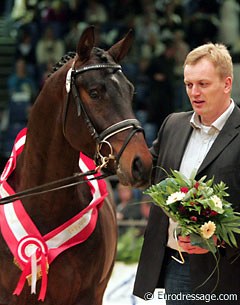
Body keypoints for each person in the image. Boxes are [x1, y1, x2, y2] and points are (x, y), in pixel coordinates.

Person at [133, 43, 240, 304]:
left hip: (227, 272)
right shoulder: (173, 124)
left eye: (203, 84)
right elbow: (144, 173)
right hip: (176, 266)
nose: (194, 92)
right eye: (188, 84)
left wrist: (221, 237)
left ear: (227, 84)